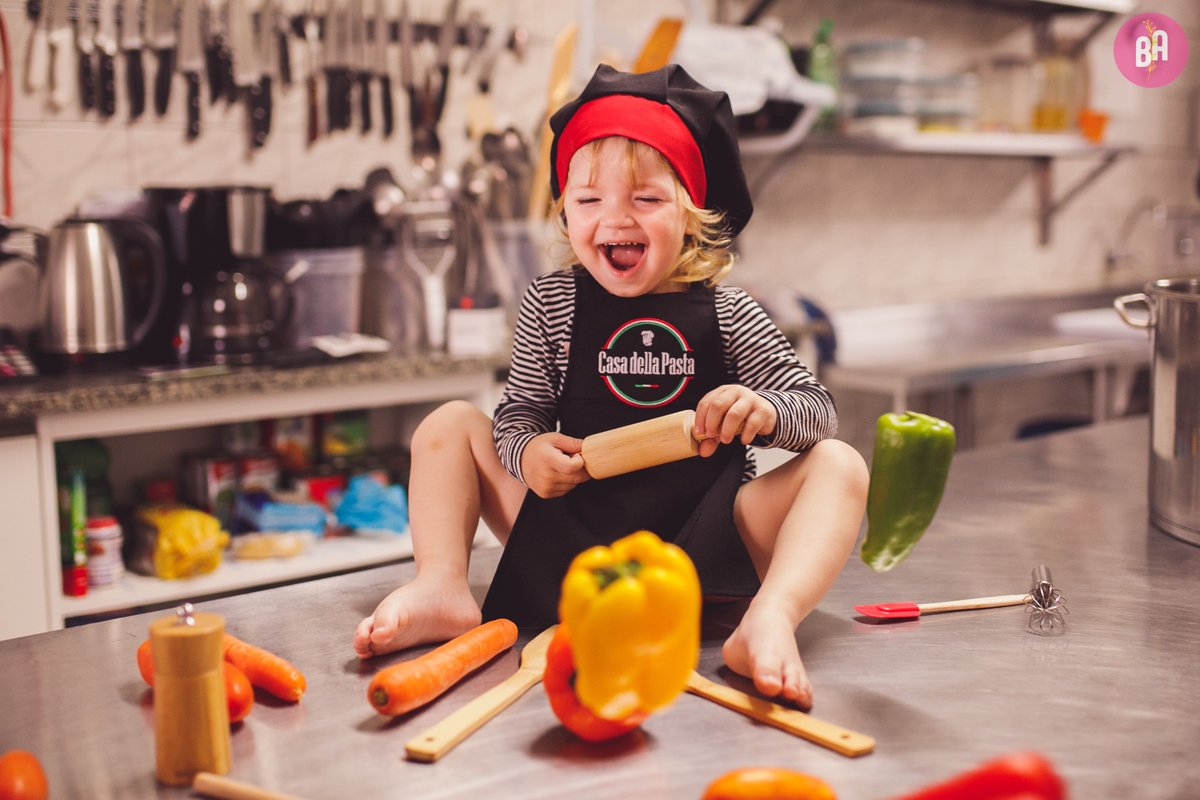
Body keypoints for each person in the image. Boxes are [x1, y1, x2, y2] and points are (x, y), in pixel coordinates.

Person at [353, 64, 869, 710]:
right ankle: (442, 586)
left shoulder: (731, 314)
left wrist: (763, 409)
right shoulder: (552, 303)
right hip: (567, 537)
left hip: (703, 547)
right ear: (565, 211)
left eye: (646, 199)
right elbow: (518, 417)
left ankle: (771, 618)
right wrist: (528, 454)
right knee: (449, 424)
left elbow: (818, 411)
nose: (614, 218)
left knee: (840, 465)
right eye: (588, 199)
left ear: (691, 213)